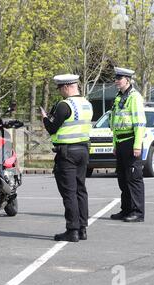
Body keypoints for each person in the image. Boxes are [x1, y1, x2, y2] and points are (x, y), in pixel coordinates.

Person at [42, 74, 93, 242]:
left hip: (67, 153)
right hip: (83, 150)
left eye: (60, 88)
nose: (59, 92)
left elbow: (52, 128)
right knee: (80, 190)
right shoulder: (87, 104)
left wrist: (44, 118)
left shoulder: (65, 105)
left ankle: (72, 230)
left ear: (66, 87)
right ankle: (82, 228)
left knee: (69, 192)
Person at [109, 67, 146, 222]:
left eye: (119, 78)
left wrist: (137, 144)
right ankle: (126, 210)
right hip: (121, 142)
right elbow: (116, 123)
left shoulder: (134, 97)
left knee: (134, 179)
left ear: (127, 80)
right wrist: (115, 144)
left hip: (131, 141)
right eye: (116, 78)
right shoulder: (119, 97)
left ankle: (138, 212)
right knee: (123, 179)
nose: (116, 81)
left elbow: (139, 123)